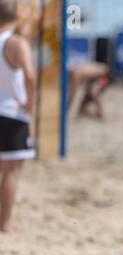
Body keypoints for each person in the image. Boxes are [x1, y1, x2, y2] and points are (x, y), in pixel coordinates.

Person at [0, 1, 36, 233]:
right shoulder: (16, 43)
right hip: (12, 112)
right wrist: (29, 104)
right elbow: (30, 78)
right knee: (11, 172)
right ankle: (4, 224)